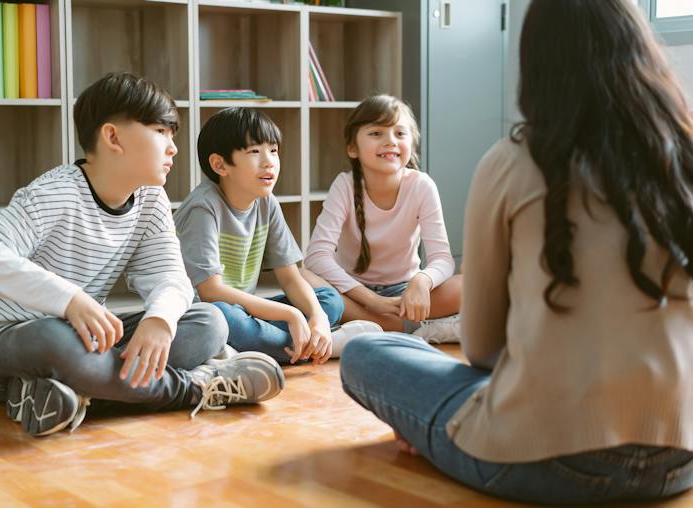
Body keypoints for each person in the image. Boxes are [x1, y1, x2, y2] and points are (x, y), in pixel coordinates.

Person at [339, 1, 693, 504]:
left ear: (537, 62)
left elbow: (482, 347)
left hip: (546, 459)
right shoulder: (683, 155)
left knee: (365, 352)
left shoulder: (512, 160)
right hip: (680, 459)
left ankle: (437, 428)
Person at [0, 72, 284, 437]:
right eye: (161, 132)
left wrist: (159, 321)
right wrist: (70, 300)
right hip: (9, 341)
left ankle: (63, 395)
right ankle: (197, 388)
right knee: (53, 339)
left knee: (208, 323)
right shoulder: (54, 193)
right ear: (112, 137)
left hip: (91, 337)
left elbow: (170, 277)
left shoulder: (151, 199)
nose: (173, 147)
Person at [174, 107, 380, 364]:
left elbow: (290, 277)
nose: (269, 161)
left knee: (329, 300)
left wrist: (317, 316)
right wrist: (291, 316)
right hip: (206, 314)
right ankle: (318, 345)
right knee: (224, 316)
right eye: (254, 152)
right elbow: (211, 292)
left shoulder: (266, 202)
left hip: (247, 311)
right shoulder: (203, 207)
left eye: (273, 150)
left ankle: (289, 343)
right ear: (220, 164)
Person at [304, 95, 462, 343]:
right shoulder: (344, 185)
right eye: (377, 133)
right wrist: (372, 301)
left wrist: (422, 281)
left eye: (400, 133)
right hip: (352, 292)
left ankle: (371, 327)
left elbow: (442, 259)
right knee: (302, 277)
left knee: (467, 286)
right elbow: (316, 256)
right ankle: (405, 327)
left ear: (411, 144)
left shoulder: (422, 186)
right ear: (352, 148)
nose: (390, 141)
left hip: (404, 294)